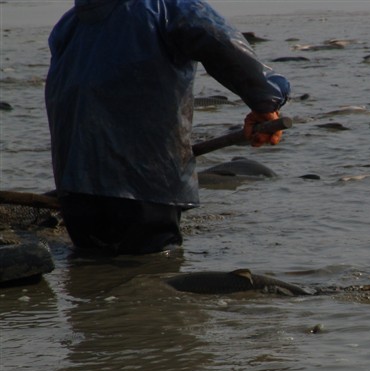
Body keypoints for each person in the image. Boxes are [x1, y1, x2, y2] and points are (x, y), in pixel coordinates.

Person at [45, 0, 290, 255]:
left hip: (75, 186)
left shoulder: (70, 24)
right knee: (155, 269)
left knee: (91, 267)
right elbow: (221, 43)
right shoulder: (165, 8)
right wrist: (267, 98)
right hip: (146, 182)